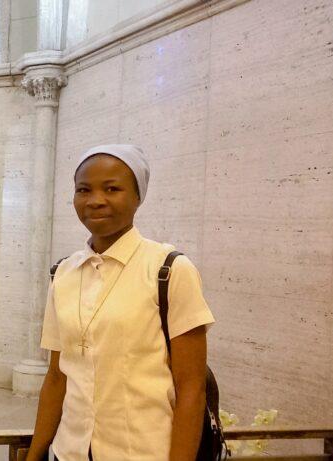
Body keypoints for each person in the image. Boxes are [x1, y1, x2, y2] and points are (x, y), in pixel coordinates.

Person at [26, 145, 214, 461]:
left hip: (142, 452)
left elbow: (191, 388)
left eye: (112, 189)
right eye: (83, 190)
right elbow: (57, 376)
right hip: (68, 451)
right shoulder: (64, 273)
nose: (95, 200)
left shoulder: (168, 270)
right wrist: (34, 456)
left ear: (137, 196)